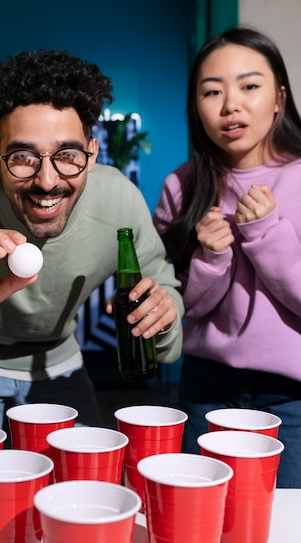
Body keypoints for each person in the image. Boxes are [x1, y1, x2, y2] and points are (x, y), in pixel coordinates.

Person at [0, 49, 183, 429]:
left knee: (82, 484)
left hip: (59, 360)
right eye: (24, 156)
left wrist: (162, 313)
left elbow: (164, 294)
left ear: (91, 155)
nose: (47, 181)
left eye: (68, 154)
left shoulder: (119, 202)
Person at [153, 26, 301, 488]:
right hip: (206, 386)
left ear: (279, 97)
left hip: (292, 397)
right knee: (205, 514)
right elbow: (176, 307)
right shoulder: (182, 187)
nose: (230, 105)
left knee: (286, 529)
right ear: (196, 108)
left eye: (249, 86)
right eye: (211, 91)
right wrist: (210, 260)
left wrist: (265, 236)